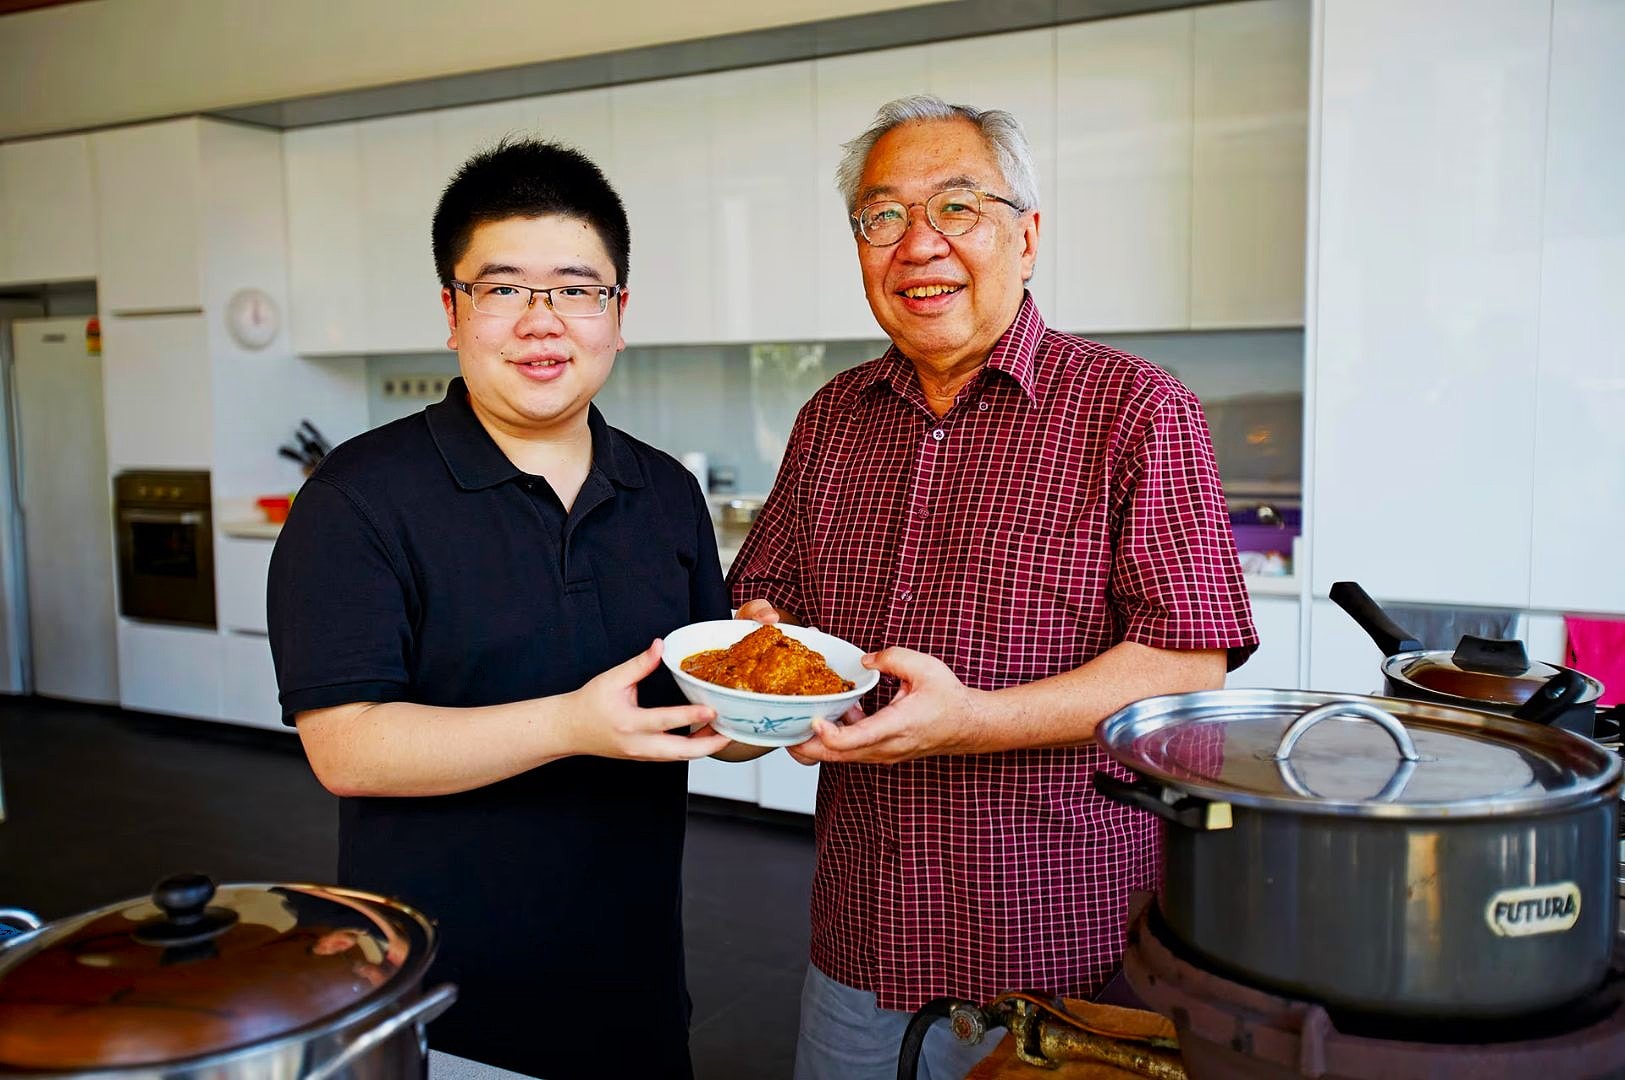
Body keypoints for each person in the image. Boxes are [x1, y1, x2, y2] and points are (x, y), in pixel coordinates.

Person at [726, 95, 1260, 1080]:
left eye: (956, 208)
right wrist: (760, 659)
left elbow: (1187, 664)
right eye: (881, 217)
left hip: (1061, 960)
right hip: (860, 939)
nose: (915, 244)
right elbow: (766, 601)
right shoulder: (829, 420)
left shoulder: (1136, 410)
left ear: (1026, 237)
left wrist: (968, 718)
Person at [266, 138, 750, 1080]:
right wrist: (572, 724)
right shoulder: (358, 496)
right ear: (452, 312)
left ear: (617, 315)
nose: (543, 321)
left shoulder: (662, 492)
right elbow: (347, 749)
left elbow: (704, 724)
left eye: (576, 289)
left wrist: (769, 697)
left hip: (635, 990)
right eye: (503, 289)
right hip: (439, 1003)